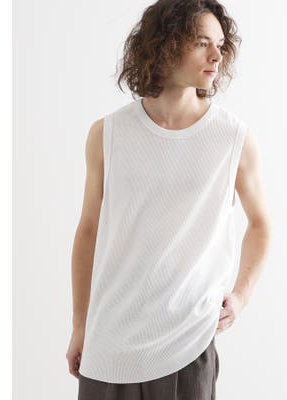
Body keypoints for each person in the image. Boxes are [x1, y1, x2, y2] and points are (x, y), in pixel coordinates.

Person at [66, 0, 271, 399]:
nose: (216, 56)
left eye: (220, 45)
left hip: (187, 342)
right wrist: (79, 324)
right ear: (164, 44)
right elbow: (88, 231)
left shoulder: (233, 138)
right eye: (201, 43)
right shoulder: (107, 134)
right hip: (110, 342)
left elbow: (261, 224)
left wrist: (241, 296)